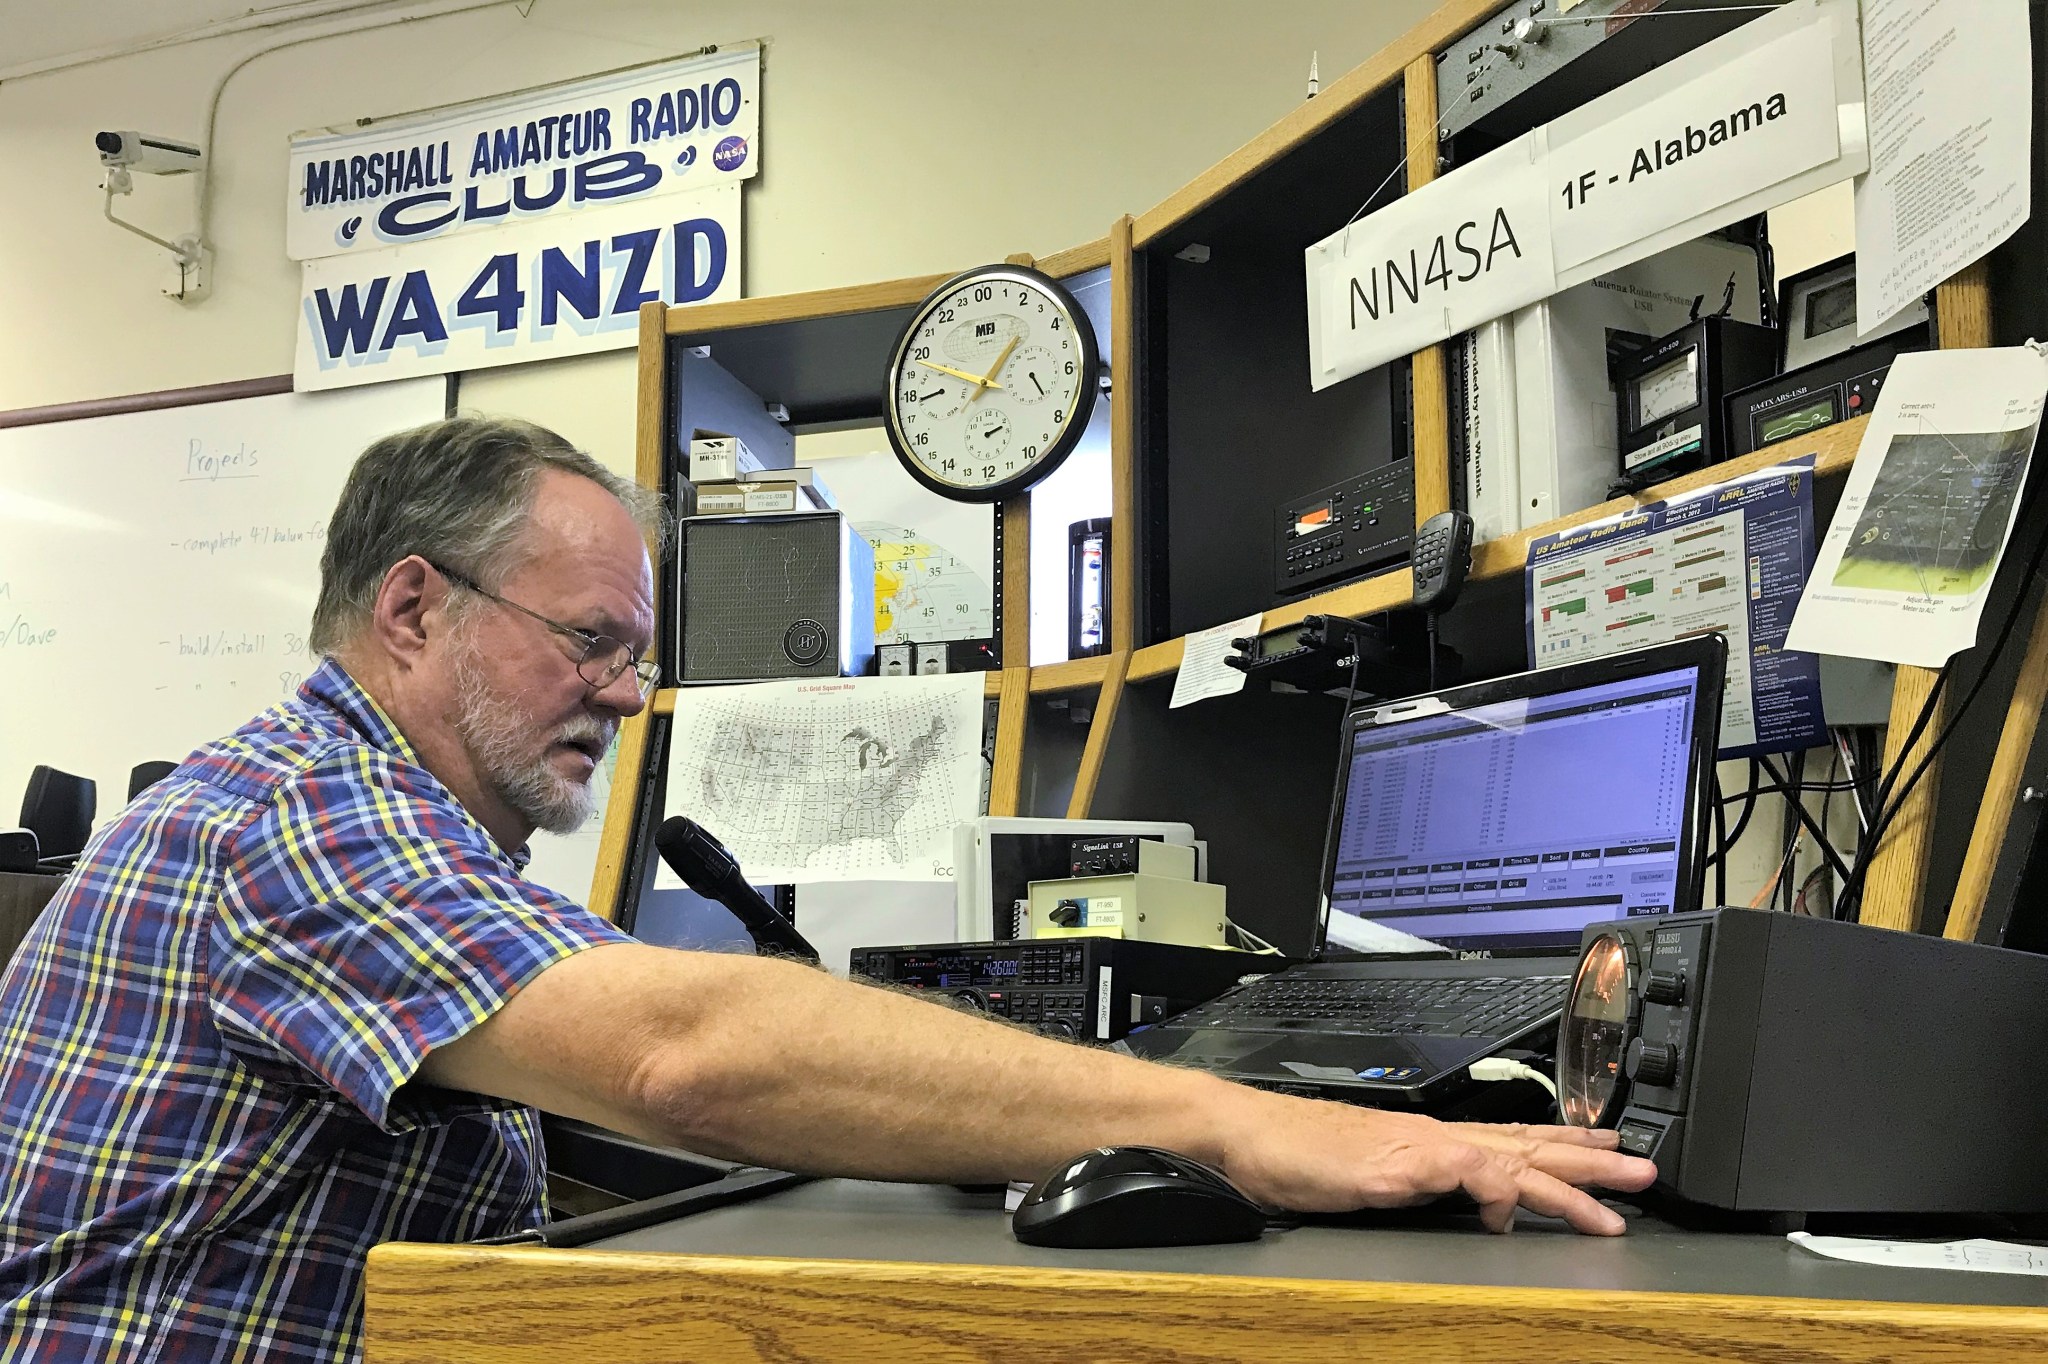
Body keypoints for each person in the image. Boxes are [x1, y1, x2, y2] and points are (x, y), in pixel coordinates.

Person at [0, 417, 1655, 1362]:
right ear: (415, 611)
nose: (632, 696)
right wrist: (1250, 1127)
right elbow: (684, 1054)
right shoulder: (294, 815)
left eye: (642, 656)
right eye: (593, 643)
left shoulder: (363, 821)